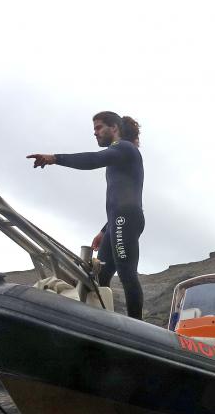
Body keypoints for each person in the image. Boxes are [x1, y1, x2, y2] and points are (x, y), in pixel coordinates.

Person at [27, 111, 145, 319]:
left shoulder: (122, 148)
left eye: (99, 128)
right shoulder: (120, 155)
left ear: (114, 128)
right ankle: (102, 320)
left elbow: (94, 159)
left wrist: (55, 158)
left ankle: (138, 326)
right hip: (116, 222)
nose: (95, 133)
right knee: (101, 277)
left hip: (124, 220)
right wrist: (104, 230)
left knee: (127, 274)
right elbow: (121, 198)